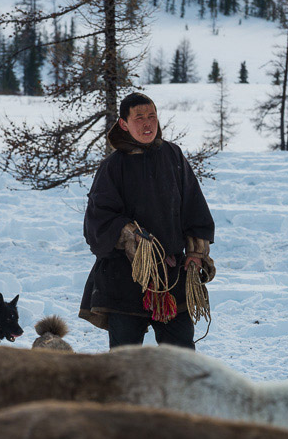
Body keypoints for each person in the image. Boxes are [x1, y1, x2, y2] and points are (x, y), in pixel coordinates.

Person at [79, 92, 215, 350]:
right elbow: (98, 223)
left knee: (181, 359)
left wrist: (197, 252)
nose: (147, 124)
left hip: (174, 279)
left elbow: (194, 208)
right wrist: (138, 242)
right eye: (139, 118)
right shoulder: (113, 167)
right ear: (123, 124)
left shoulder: (173, 156)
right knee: (126, 363)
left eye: (151, 116)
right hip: (125, 282)